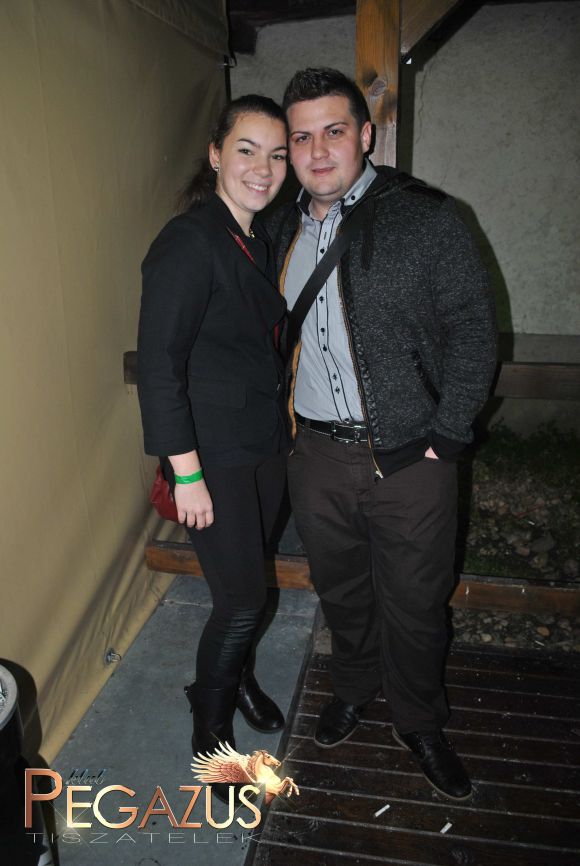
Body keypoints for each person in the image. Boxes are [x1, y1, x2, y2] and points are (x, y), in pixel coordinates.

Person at [267, 68, 497, 801]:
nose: (318, 151)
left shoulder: (426, 218)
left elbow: (474, 329)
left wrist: (445, 436)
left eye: (334, 131)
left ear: (366, 135)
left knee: (417, 602)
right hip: (315, 454)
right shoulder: (277, 229)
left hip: (410, 457)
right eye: (302, 136)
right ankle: (354, 688)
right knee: (342, 592)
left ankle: (420, 721)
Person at [137, 95, 289, 775]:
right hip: (212, 454)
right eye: (247, 149)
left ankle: (241, 677)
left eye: (277, 155)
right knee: (241, 600)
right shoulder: (189, 241)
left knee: (250, 579)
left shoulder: (255, 237)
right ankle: (211, 729)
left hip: (263, 443)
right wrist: (187, 472)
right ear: (216, 155)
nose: (263, 167)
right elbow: (159, 366)